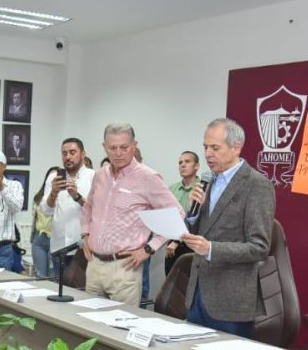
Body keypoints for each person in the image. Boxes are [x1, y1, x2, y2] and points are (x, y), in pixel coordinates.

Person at [181, 118, 276, 337]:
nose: (208, 154)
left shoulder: (257, 185)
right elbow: (201, 233)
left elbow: (259, 247)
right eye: (205, 147)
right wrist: (192, 215)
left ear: (236, 148)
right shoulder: (207, 181)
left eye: (215, 148)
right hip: (197, 294)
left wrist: (211, 249)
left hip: (231, 302)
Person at [81, 124, 181, 306]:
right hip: (94, 264)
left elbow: (177, 215)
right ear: (104, 147)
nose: (118, 153)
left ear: (134, 146)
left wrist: (149, 249)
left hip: (125, 268)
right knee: (87, 322)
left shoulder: (148, 177)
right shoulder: (100, 175)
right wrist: (85, 235)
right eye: (112, 148)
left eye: (124, 147)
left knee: (120, 323)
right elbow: (88, 207)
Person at [40, 137, 94, 272]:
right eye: (64, 153)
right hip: (60, 248)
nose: (68, 157)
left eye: (72, 152)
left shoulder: (94, 177)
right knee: (59, 285)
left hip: (84, 249)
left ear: (83, 154)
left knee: (83, 286)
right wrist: (53, 193)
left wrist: (77, 196)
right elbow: (46, 211)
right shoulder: (53, 178)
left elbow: (97, 211)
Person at [165, 150, 201, 275]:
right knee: (171, 282)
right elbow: (167, 217)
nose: (183, 165)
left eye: (187, 161)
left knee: (190, 283)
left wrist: (177, 242)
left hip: (193, 245)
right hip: (171, 245)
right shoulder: (171, 189)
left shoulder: (202, 189)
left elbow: (199, 220)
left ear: (197, 166)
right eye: (180, 163)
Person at [30, 166, 58, 278]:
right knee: (40, 275)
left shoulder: (64, 196)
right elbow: (34, 217)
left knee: (52, 276)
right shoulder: (38, 196)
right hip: (39, 238)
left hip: (55, 238)